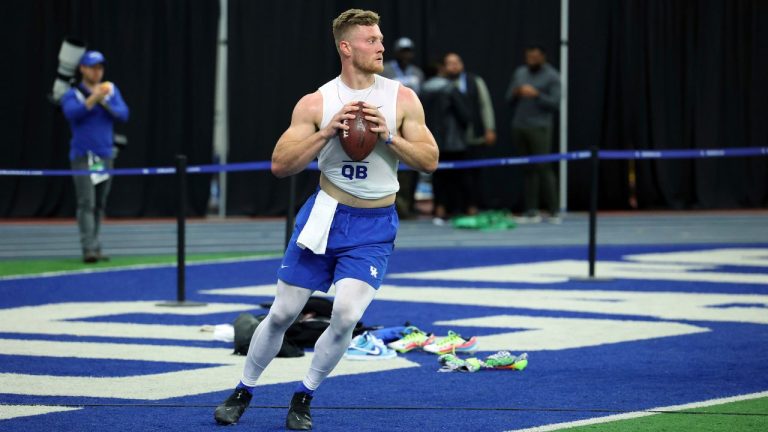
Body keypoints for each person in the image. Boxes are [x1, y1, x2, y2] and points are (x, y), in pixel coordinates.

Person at [213, 9, 438, 431]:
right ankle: (243, 389)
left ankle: (304, 395)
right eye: (371, 40)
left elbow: (430, 161)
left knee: (348, 315)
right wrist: (326, 133)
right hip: (325, 216)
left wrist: (389, 137)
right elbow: (280, 165)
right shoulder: (316, 101)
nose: (381, 47)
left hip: (373, 224)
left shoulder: (402, 98)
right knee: (282, 313)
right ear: (346, 47)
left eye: (381, 39)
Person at [60, 50, 129, 263]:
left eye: (100, 68)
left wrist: (104, 100)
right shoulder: (73, 94)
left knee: (100, 203)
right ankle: (88, 248)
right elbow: (72, 114)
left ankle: (96, 245)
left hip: (104, 156)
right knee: (86, 202)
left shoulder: (110, 92)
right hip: (83, 156)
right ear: (82, 69)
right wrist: (92, 99)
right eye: (92, 67)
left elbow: (124, 114)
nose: (97, 72)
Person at [505, 45, 562, 223]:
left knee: (543, 167)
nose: (531, 60)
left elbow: (555, 103)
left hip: (540, 126)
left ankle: (554, 210)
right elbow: (508, 98)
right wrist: (517, 92)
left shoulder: (552, 75)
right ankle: (531, 210)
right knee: (527, 168)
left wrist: (536, 94)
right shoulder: (520, 72)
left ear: (543, 57)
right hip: (519, 125)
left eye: (535, 57)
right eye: (529, 57)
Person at [443, 52, 497, 214]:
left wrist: (490, 128)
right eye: (450, 63)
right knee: (452, 176)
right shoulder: (442, 84)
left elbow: (485, 105)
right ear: (444, 67)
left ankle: (472, 205)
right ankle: (453, 208)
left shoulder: (475, 81)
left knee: (473, 175)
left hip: (474, 136)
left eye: (457, 62)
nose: (454, 66)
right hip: (450, 140)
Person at [420, 59, 472, 223]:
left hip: (430, 139)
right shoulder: (450, 88)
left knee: (438, 176)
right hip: (453, 141)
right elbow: (464, 115)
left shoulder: (422, 90)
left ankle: (440, 208)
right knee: (457, 176)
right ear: (440, 70)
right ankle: (458, 209)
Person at [381, 36, 425, 219]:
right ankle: (397, 206)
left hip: (412, 122)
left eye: (409, 51)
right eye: (403, 51)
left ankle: (410, 204)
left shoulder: (417, 72)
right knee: (394, 165)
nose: (406, 55)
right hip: (393, 121)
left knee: (413, 165)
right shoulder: (386, 70)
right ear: (397, 52)